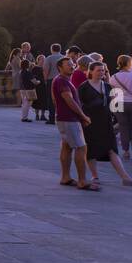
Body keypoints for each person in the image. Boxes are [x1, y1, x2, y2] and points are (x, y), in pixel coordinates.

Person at [78, 60, 132, 188]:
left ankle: (125, 177)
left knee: (112, 149)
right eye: (98, 70)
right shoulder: (84, 87)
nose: (101, 73)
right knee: (91, 150)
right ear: (91, 71)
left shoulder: (107, 86)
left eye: (103, 70)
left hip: (105, 123)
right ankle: (95, 176)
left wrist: (119, 121)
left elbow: (116, 106)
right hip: (89, 123)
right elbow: (79, 105)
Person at [52, 56, 93, 190]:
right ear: (60, 67)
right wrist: (83, 116)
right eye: (68, 65)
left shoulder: (60, 80)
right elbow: (69, 100)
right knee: (81, 147)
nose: (72, 66)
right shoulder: (62, 81)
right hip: (69, 119)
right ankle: (82, 180)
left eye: (72, 64)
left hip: (63, 118)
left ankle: (66, 177)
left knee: (67, 146)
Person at [18, 57, 39, 121]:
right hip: (28, 89)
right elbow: (34, 82)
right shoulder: (28, 73)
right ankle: (25, 118)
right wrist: (39, 81)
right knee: (27, 104)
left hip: (22, 89)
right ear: (27, 65)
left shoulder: (21, 72)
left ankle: (24, 117)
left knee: (24, 104)